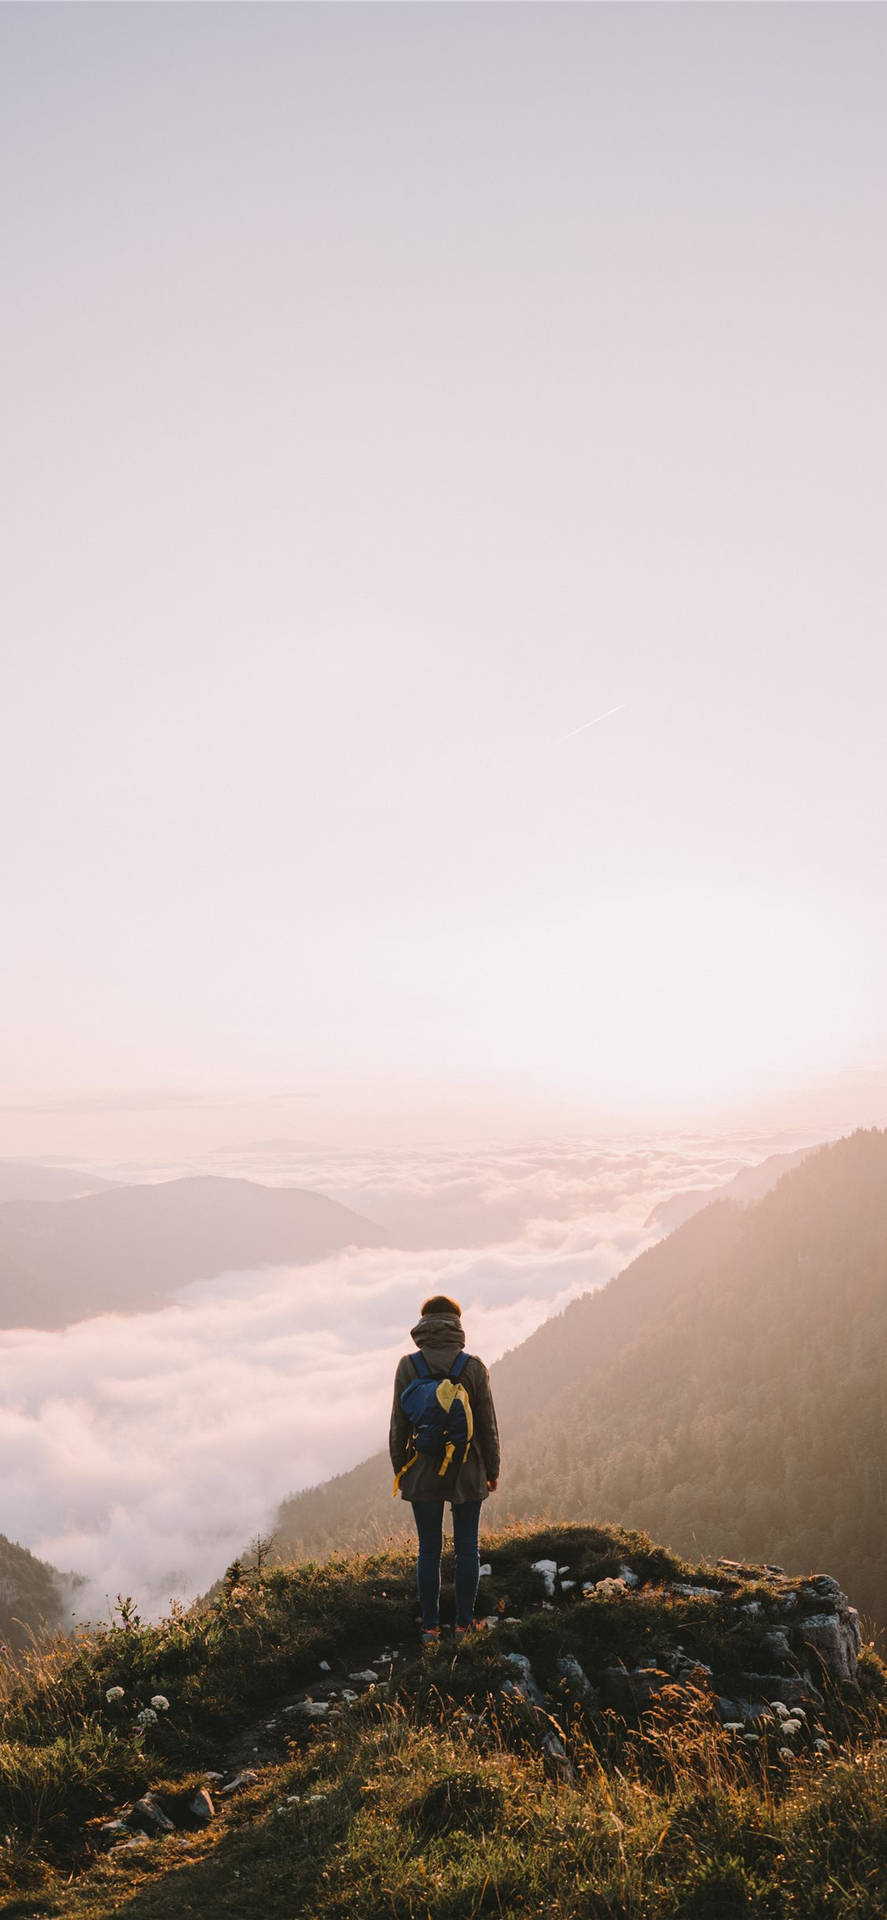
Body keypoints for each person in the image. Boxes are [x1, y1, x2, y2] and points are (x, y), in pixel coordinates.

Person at [389, 1293, 501, 1642]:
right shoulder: (473, 1367)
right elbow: (487, 1426)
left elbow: (398, 1426)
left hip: (422, 1470)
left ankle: (430, 1626)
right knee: (467, 1547)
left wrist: (401, 1470)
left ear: (422, 1325)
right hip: (467, 1470)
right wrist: (492, 1470)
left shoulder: (409, 1366)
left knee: (429, 1549)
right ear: (457, 1325)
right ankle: (465, 1624)